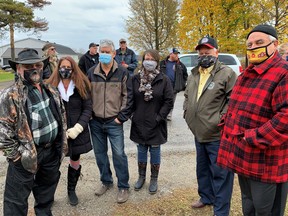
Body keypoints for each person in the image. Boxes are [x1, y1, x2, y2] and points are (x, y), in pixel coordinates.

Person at [217, 24, 288, 216]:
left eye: (259, 43)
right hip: (244, 156)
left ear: (275, 45)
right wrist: (227, 123)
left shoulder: (283, 72)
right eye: (250, 44)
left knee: (266, 211)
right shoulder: (247, 73)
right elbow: (237, 106)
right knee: (248, 205)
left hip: (267, 162)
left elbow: (285, 118)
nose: (253, 47)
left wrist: (252, 137)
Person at [0, 48, 68, 215]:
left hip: (51, 152)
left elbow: (62, 117)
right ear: (19, 69)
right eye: (28, 66)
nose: (34, 68)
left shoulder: (50, 90)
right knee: (15, 202)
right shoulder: (10, 96)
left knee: (45, 195)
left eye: (37, 64)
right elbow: (2, 132)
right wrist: (16, 157)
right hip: (25, 156)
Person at [183, 36, 237, 216]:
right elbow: (187, 97)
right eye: (201, 52)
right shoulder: (194, 73)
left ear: (216, 52)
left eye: (208, 51)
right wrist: (186, 113)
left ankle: (221, 211)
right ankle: (206, 197)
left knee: (221, 175)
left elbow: (233, 102)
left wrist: (219, 121)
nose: (204, 55)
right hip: (199, 132)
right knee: (203, 169)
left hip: (217, 135)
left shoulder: (227, 73)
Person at [88, 39, 132, 204]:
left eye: (107, 52)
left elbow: (128, 97)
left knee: (119, 154)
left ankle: (123, 185)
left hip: (115, 122)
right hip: (96, 122)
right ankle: (106, 181)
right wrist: (90, 115)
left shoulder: (122, 73)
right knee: (100, 154)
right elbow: (86, 96)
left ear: (114, 54)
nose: (104, 54)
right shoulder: (91, 72)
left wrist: (121, 117)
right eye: (102, 52)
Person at [46, 56, 93, 206]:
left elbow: (87, 109)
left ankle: (71, 190)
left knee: (75, 160)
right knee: (53, 164)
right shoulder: (50, 86)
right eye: (62, 66)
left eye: (68, 67)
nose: (64, 69)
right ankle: (48, 195)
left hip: (76, 132)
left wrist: (78, 128)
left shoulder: (81, 84)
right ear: (58, 68)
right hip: (57, 133)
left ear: (73, 68)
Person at [130, 49, 173, 194]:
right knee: (141, 149)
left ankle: (154, 179)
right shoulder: (135, 79)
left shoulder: (164, 79)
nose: (148, 61)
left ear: (156, 61)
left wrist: (159, 117)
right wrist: (132, 116)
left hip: (156, 122)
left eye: (151, 58)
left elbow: (169, 101)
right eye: (146, 58)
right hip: (139, 122)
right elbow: (130, 99)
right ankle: (141, 177)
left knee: (155, 150)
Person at [160, 48, 187, 120]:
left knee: (171, 101)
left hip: (174, 87)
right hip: (163, 86)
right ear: (170, 54)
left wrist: (181, 84)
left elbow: (185, 75)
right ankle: (162, 114)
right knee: (161, 100)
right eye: (175, 54)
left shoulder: (180, 65)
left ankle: (169, 115)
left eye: (177, 54)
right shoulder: (162, 63)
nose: (177, 55)